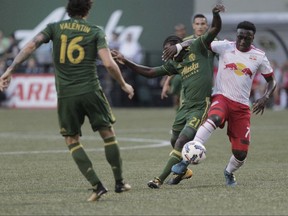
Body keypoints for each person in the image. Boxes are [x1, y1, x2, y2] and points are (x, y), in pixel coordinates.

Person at [0, 0, 134, 201]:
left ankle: (97, 186)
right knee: (107, 134)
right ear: (87, 10)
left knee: (72, 140)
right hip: (91, 90)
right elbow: (108, 63)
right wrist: (124, 84)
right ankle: (119, 182)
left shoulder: (54, 28)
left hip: (66, 95)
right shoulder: (95, 31)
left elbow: (30, 45)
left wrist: (10, 69)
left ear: (68, 9)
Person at [112, 4, 225, 189]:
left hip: (199, 106)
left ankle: (159, 179)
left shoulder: (199, 47)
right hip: (184, 107)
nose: (166, 55)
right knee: (175, 140)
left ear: (177, 48)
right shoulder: (175, 65)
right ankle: (184, 170)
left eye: (168, 50)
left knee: (181, 141)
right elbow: (149, 72)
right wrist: (125, 61)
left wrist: (214, 14)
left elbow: (215, 29)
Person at [170, 21, 277, 186]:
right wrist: (178, 47)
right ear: (237, 35)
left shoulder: (259, 56)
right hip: (221, 97)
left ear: (252, 37)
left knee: (240, 153)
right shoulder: (225, 46)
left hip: (241, 107)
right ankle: (185, 162)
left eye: (246, 38)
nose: (242, 41)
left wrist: (266, 97)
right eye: (239, 36)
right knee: (215, 118)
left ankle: (229, 172)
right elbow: (199, 41)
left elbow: (272, 81)